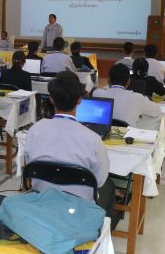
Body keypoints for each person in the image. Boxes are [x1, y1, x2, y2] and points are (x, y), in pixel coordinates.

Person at [25, 71, 117, 225]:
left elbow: (29, 165)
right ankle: (102, 231)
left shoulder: (35, 130)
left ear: (51, 100)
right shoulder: (93, 139)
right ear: (80, 100)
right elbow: (100, 180)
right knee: (110, 186)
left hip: (41, 199)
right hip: (79, 208)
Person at [93, 64, 162, 128]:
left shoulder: (96, 93)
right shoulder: (137, 97)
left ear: (108, 80)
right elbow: (157, 111)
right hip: (126, 135)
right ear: (128, 82)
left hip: (100, 134)